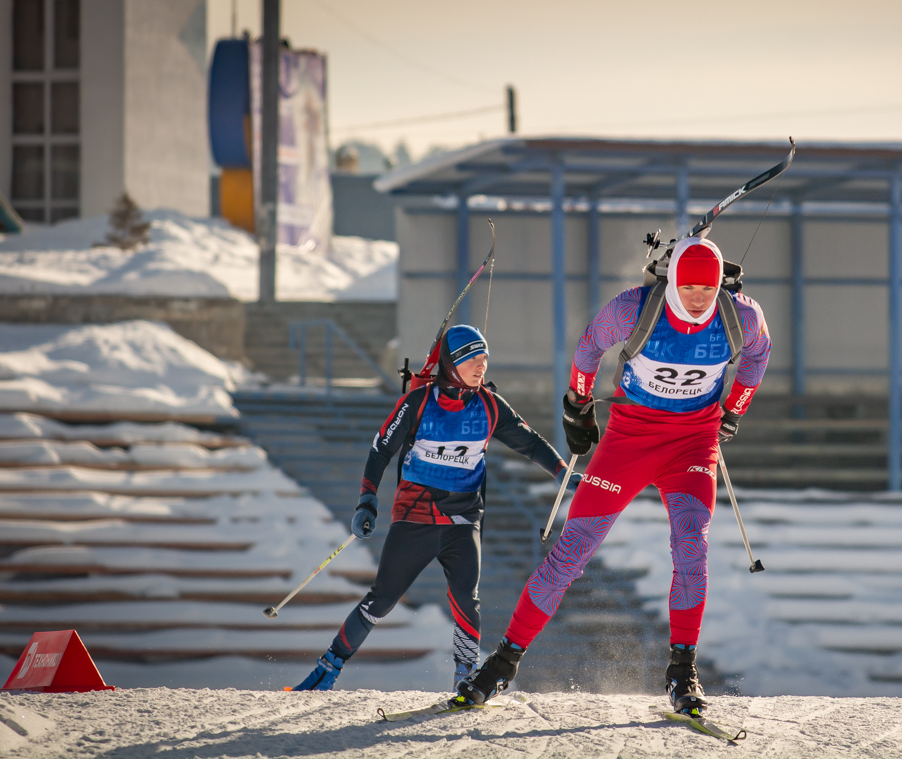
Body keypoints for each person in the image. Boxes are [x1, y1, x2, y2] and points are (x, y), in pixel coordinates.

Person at [451, 236, 771, 716]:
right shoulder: (633, 309)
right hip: (629, 442)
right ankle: (502, 664)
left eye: (709, 287)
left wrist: (732, 411)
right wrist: (578, 408)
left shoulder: (741, 316)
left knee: (691, 546)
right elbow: (588, 347)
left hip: (692, 443)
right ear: (674, 280)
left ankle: (682, 672)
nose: (700, 297)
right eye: (690, 287)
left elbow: (759, 355)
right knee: (571, 552)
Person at [291, 325, 574, 691]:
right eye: (472, 357)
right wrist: (367, 500)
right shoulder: (419, 402)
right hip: (415, 519)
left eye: (485, 358)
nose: (481, 365)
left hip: (462, 520)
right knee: (382, 599)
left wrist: (563, 473)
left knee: (465, 600)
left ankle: (464, 677)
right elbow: (380, 450)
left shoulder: (489, 404)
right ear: (453, 362)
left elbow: (531, 444)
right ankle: (329, 667)